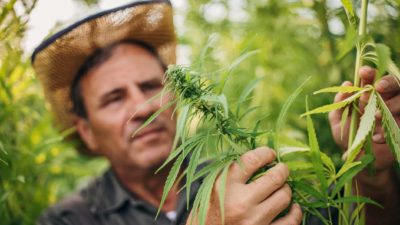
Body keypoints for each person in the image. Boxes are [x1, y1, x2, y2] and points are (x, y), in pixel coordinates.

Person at [31, 1, 399, 225]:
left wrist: (369, 172)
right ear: (87, 131)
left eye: (149, 87)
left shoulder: (243, 178)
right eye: (113, 98)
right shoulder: (67, 220)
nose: (141, 110)